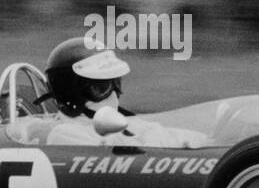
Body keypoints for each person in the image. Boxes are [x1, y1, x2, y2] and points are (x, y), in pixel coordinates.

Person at [40, 37, 206, 148]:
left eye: (116, 83)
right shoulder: (65, 134)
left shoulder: (127, 123)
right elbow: (116, 152)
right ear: (71, 93)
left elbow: (164, 133)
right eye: (101, 87)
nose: (114, 94)